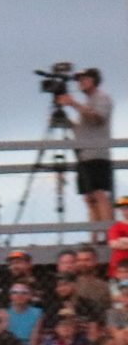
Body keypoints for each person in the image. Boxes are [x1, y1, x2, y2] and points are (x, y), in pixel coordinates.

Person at [56, 66, 115, 232]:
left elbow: (97, 118)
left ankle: (108, 234)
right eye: (79, 80)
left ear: (93, 80)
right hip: (84, 154)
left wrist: (72, 103)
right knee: (89, 197)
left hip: (97, 153)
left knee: (99, 194)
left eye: (84, 79)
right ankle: (95, 236)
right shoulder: (87, 102)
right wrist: (66, 121)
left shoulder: (102, 98)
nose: (80, 82)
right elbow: (83, 130)